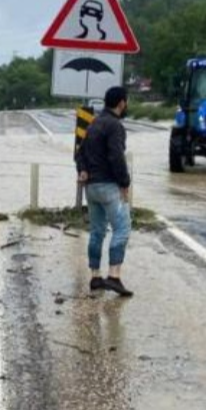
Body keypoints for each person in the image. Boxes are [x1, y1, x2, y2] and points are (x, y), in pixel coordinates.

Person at [75, 86, 133, 298]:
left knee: (97, 231)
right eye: (126, 101)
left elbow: (79, 154)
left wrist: (82, 170)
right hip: (109, 186)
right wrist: (125, 182)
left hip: (91, 188)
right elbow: (116, 156)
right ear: (121, 103)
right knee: (123, 228)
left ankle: (95, 276)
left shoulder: (94, 124)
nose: (126, 105)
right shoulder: (115, 125)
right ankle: (114, 276)